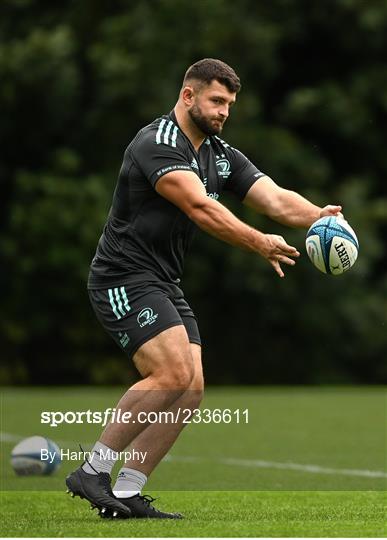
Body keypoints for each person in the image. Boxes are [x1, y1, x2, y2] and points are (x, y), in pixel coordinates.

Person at [66, 58, 342, 519]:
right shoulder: (156, 143)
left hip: (161, 279)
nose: (224, 112)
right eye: (217, 100)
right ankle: (93, 470)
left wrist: (319, 215)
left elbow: (273, 197)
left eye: (229, 104)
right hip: (122, 276)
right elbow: (199, 207)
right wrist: (259, 242)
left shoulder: (218, 154)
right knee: (172, 372)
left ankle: (129, 492)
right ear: (188, 95)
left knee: (191, 387)